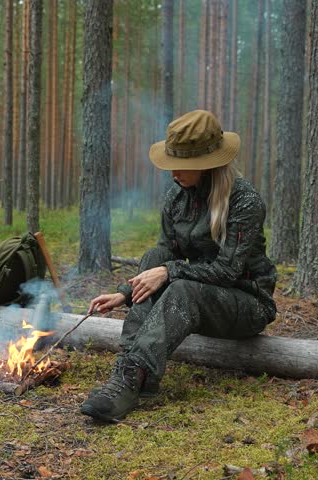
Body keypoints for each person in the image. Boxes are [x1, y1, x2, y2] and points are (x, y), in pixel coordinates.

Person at [80, 110, 277, 422]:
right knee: (153, 257)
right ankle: (130, 370)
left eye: (182, 165)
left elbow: (227, 272)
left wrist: (172, 272)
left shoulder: (244, 201)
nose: (173, 172)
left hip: (245, 303)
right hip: (199, 296)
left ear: (208, 163)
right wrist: (125, 293)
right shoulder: (177, 196)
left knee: (180, 286)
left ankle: (133, 377)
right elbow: (166, 252)